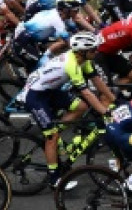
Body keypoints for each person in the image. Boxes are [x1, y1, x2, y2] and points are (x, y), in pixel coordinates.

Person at [16, 31, 116, 188]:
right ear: (82, 51)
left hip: (50, 91)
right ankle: (54, 178)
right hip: (35, 96)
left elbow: (96, 80)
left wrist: (113, 100)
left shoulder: (84, 59)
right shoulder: (71, 64)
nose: (96, 52)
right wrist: (105, 112)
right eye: (93, 50)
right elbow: (87, 92)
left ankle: (53, 131)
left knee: (81, 107)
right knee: (52, 137)